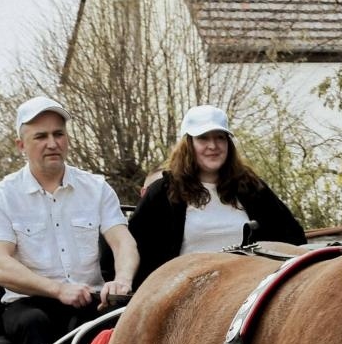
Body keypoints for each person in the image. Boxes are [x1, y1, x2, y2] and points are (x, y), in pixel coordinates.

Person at [0, 96, 136, 344]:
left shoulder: (96, 188)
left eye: (58, 134)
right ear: (21, 145)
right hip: (29, 302)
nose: (52, 143)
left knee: (121, 316)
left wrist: (123, 280)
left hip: (90, 299)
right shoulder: (3, 195)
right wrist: (57, 290)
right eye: (40, 136)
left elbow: (123, 241)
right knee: (34, 323)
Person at [127, 104, 305, 291]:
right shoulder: (164, 192)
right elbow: (129, 247)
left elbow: (292, 236)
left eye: (220, 138)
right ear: (188, 144)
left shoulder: (250, 187)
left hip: (246, 291)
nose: (213, 146)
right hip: (183, 294)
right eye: (203, 138)